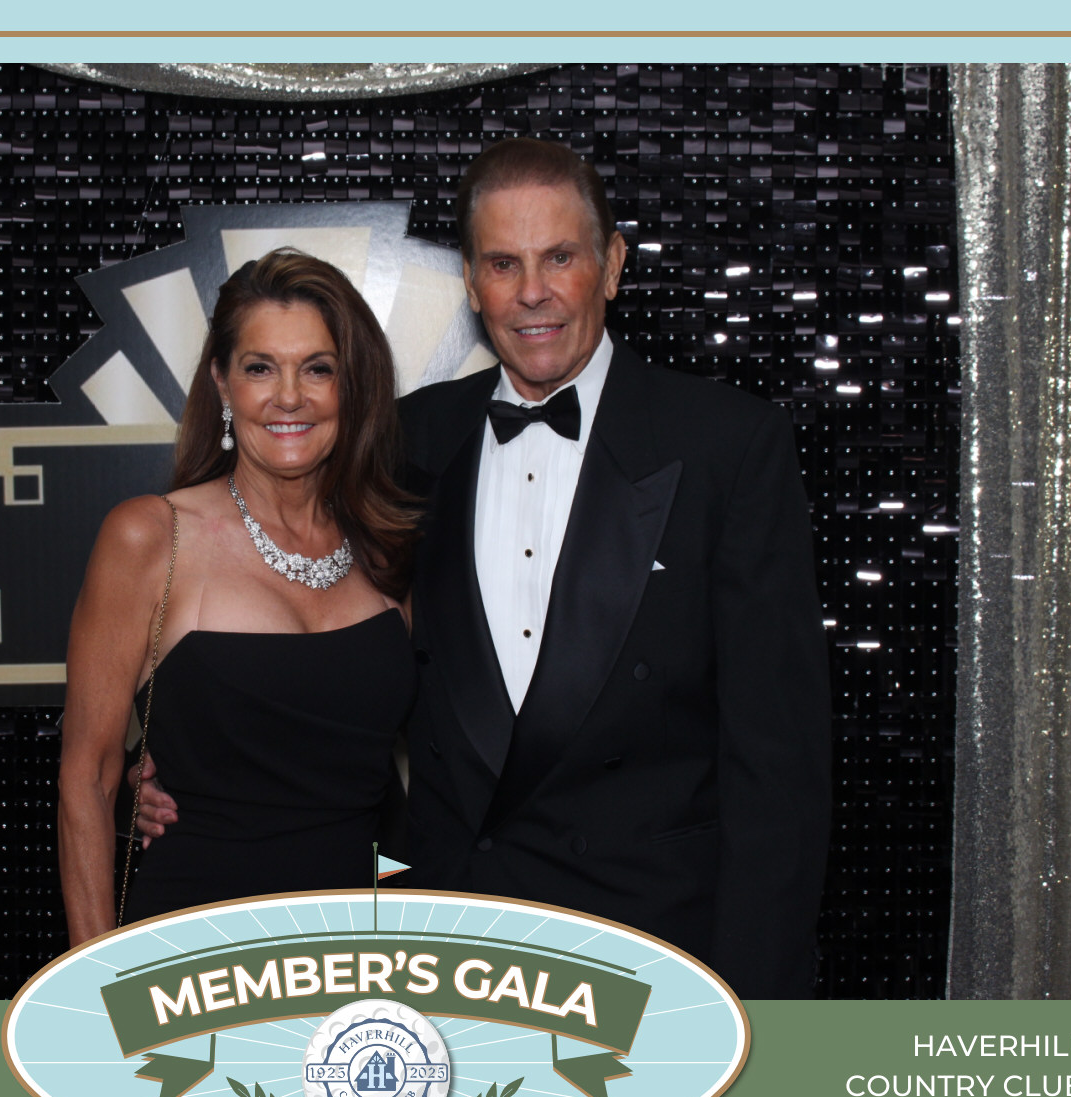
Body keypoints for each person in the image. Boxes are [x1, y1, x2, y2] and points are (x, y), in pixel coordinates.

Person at [138, 139, 832, 999]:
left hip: (653, 950)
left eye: (560, 258)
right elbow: (298, 640)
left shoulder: (727, 447)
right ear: (471, 283)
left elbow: (779, 766)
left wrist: (761, 1007)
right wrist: (177, 771)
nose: (532, 291)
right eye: (503, 264)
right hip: (454, 950)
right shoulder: (403, 444)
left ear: (613, 265)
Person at [57, 249, 418, 948]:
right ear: (222, 382)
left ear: (352, 386)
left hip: (365, 951)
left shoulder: (388, 547)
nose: (289, 396)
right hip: (197, 958)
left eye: (318, 368)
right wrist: (92, 984)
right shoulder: (151, 538)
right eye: (260, 368)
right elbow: (87, 779)